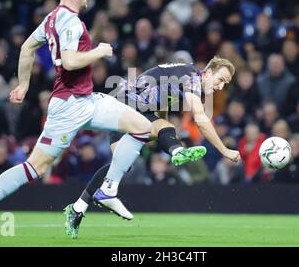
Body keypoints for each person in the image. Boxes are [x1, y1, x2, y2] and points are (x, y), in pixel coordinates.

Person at [0, 0, 157, 246]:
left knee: (144, 127)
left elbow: (27, 47)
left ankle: (108, 190)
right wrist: (98, 50)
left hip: (86, 99)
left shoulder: (52, 18)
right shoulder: (71, 22)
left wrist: (24, 84)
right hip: (68, 107)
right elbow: (71, 60)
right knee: (35, 168)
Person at [64, 57, 241, 238]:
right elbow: (201, 120)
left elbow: (162, 100)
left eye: (225, 84)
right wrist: (224, 150)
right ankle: (177, 151)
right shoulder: (192, 78)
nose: (221, 87)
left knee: (121, 164)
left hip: (125, 104)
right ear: (209, 73)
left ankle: (78, 208)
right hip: (126, 106)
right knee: (164, 129)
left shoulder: (184, 74)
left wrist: (161, 135)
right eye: (220, 80)